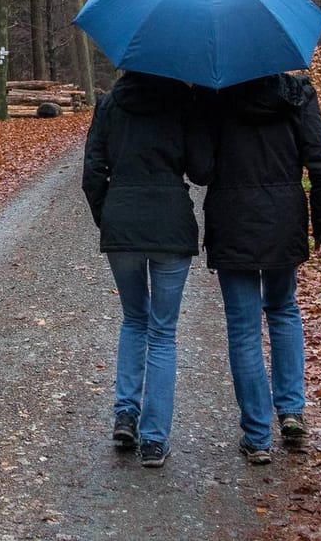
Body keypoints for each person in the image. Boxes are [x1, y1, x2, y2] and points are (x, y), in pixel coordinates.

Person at [200, 73, 321, 465]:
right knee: (282, 310)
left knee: (244, 328)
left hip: (232, 221)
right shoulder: (296, 95)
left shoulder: (216, 98)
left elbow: (200, 167)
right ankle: (292, 411)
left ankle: (258, 436)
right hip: (283, 220)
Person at [83, 71, 211, 468]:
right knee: (163, 333)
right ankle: (154, 439)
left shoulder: (109, 104)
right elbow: (202, 170)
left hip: (123, 224)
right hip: (170, 225)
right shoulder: (184, 102)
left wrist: (109, 217)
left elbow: (92, 174)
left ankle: (125, 414)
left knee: (133, 321)